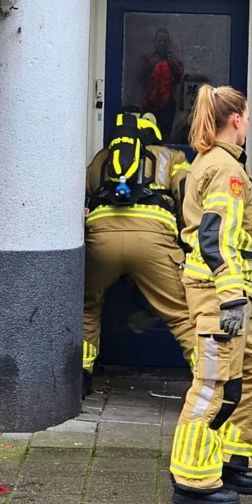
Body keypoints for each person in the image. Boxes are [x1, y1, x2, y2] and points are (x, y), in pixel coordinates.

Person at [168, 85, 252, 504]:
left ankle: (231, 459)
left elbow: (237, 232)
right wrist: (232, 294)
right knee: (214, 384)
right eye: (248, 116)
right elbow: (213, 237)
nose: (248, 123)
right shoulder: (225, 170)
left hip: (241, 290)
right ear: (236, 119)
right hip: (220, 294)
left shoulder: (224, 165)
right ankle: (193, 479)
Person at [83, 112, 195, 397]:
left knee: (86, 306)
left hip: (100, 238)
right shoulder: (171, 158)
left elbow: (80, 194)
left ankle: (80, 374)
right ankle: (208, 380)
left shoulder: (101, 159)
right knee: (183, 314)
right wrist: (188, 244)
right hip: (153, 242)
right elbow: (187, 200)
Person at [136, 28, 184, 138]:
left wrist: (173, 66)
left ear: (168, 43)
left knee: (165, 137)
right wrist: (149, 66)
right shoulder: (147, 59)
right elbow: (138, 78)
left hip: (168, 107)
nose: (162, 44)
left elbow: (180, 80)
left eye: (164, 41)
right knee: (148, 136)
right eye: (159, 41)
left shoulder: (174, 61)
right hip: (149, 105)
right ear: (154, 42)